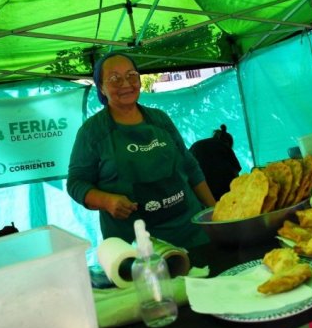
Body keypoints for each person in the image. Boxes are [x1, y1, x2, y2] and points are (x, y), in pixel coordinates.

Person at [67, 51, 216, 249]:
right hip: (140, 248)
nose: (126, 83)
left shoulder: (160, 119)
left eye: (131, 75)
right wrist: (107, 201)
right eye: (114, 78)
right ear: (101, 87)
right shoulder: (92, 132)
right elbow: (76, 183)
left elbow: (190, 167)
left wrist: (216, 212)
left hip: (191, 234)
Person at [190, 125, 242, 200]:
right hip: (224, 191)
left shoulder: (196, 145)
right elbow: (236, 171)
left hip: (201, 191)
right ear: (228, 142)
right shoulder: (224, 146)